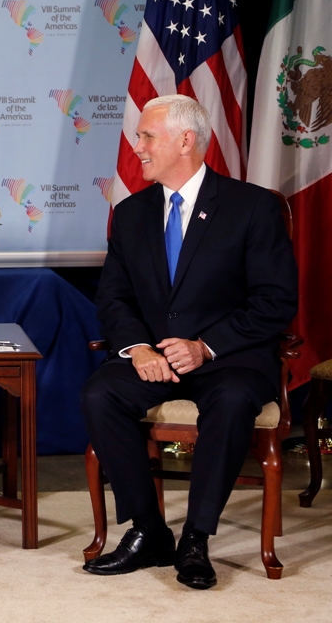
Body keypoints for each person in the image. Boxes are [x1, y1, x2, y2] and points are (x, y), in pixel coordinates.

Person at [79, 95, 297, 589]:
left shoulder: (252, 207)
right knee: (99, 393)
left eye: (146, 136)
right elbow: (113, 298)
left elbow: (275, 301)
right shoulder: (131, 213)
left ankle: (196, 538)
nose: (137, 147)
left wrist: (206, 346)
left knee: (235, 399)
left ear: (185, 140)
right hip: (155, 359)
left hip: (229, 360)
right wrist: (138, 348)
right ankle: (149, 531)